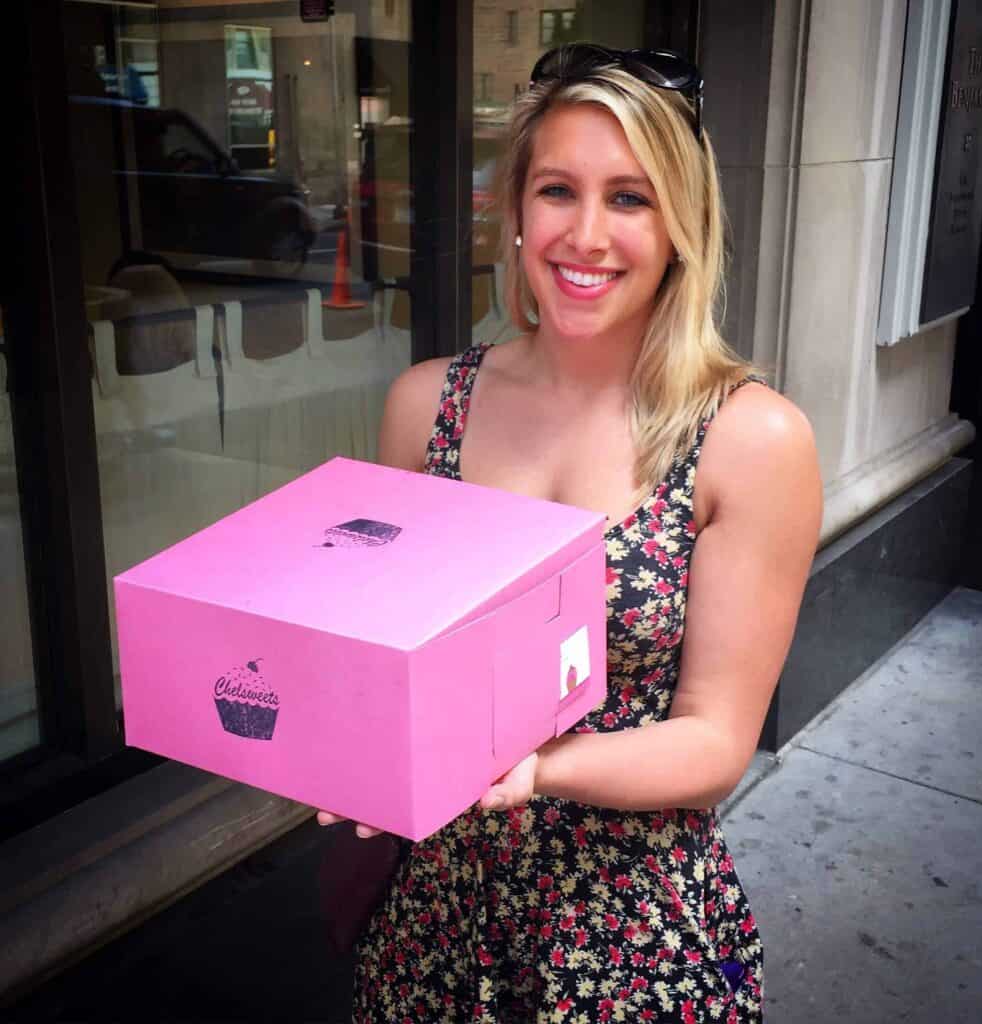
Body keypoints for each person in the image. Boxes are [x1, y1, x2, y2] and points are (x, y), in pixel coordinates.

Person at [318, 43, 822, 1023]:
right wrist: (338, 747)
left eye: (629, 198)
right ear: (513, 213)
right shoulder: (426, 405)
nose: (585, 235)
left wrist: (538, 769)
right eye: (557, 190)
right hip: (433, 909)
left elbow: (716, 739)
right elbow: (383, 656)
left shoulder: (749, 438)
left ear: (683, 225)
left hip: (627, 922)